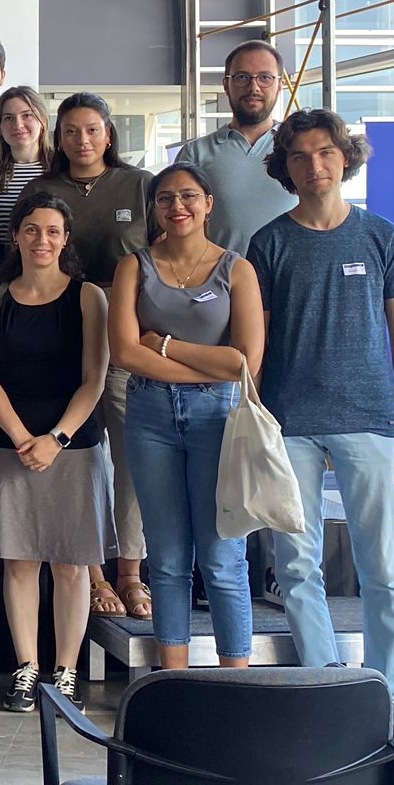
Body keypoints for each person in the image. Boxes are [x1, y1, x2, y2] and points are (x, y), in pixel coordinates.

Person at [249, 109, 394, 703]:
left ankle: (386, 690)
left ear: (345, 158)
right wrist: (255, 422)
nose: (314, 166)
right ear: (286, 167)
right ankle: (325, 683)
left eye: (325, 152)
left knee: (385, 569)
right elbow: (257, 344)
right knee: (296, 565)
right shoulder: (269, 242)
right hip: (288, 423)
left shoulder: (380, 235)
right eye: (300, 156)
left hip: (369, 419)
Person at [110, 163, 263, 672]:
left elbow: (244, 363)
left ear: (209, 203)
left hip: (217, 418)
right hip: (149, 414)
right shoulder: (134, 267)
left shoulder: (236, 270)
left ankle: (237, 685)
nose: (177, 206)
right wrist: (206, 366)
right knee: (168, 558)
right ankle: (173, 681)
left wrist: (166, 346)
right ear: (154, 209)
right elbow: (125, 353)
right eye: (166, 199)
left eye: (189, 196)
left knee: (222, 558)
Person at [0, 191, 113, 711]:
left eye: (52, 231)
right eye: (31, 229)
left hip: (73, 448)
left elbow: (94, 378)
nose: (41, 240)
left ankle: (66, 671)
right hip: (10, 446)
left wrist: (56, 439)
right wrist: (18, 436)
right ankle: (27, 667)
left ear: (65, 238)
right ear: (16, 236)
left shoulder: (88, 298)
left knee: (71, 566)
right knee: (19, 563)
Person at [25, 91, 153, 621]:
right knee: (80, 457)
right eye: (71, 131)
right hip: (61, 341)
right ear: (58, 138)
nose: (82, 140)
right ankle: (93, 571)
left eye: (93, 130)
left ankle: (131, 573)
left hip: (125, 340)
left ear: (109, 134)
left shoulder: (139, 185)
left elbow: (160, 260)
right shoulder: (43, 189)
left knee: (129, 457)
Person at [175, 40, 297, 258]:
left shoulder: (297, 147)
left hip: (292, 275)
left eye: (265, 78)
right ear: (226, 84)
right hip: (221, 276)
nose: (254, 87)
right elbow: (179, 225)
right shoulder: (196, 154)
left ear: (280, 85)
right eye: (242, 77)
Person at [0, 86, 52, 284]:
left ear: (42, 121)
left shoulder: (60, 168)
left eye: (27, 115)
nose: (17, 124)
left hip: (51, 266)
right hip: (1, 269)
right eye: (8, 118)